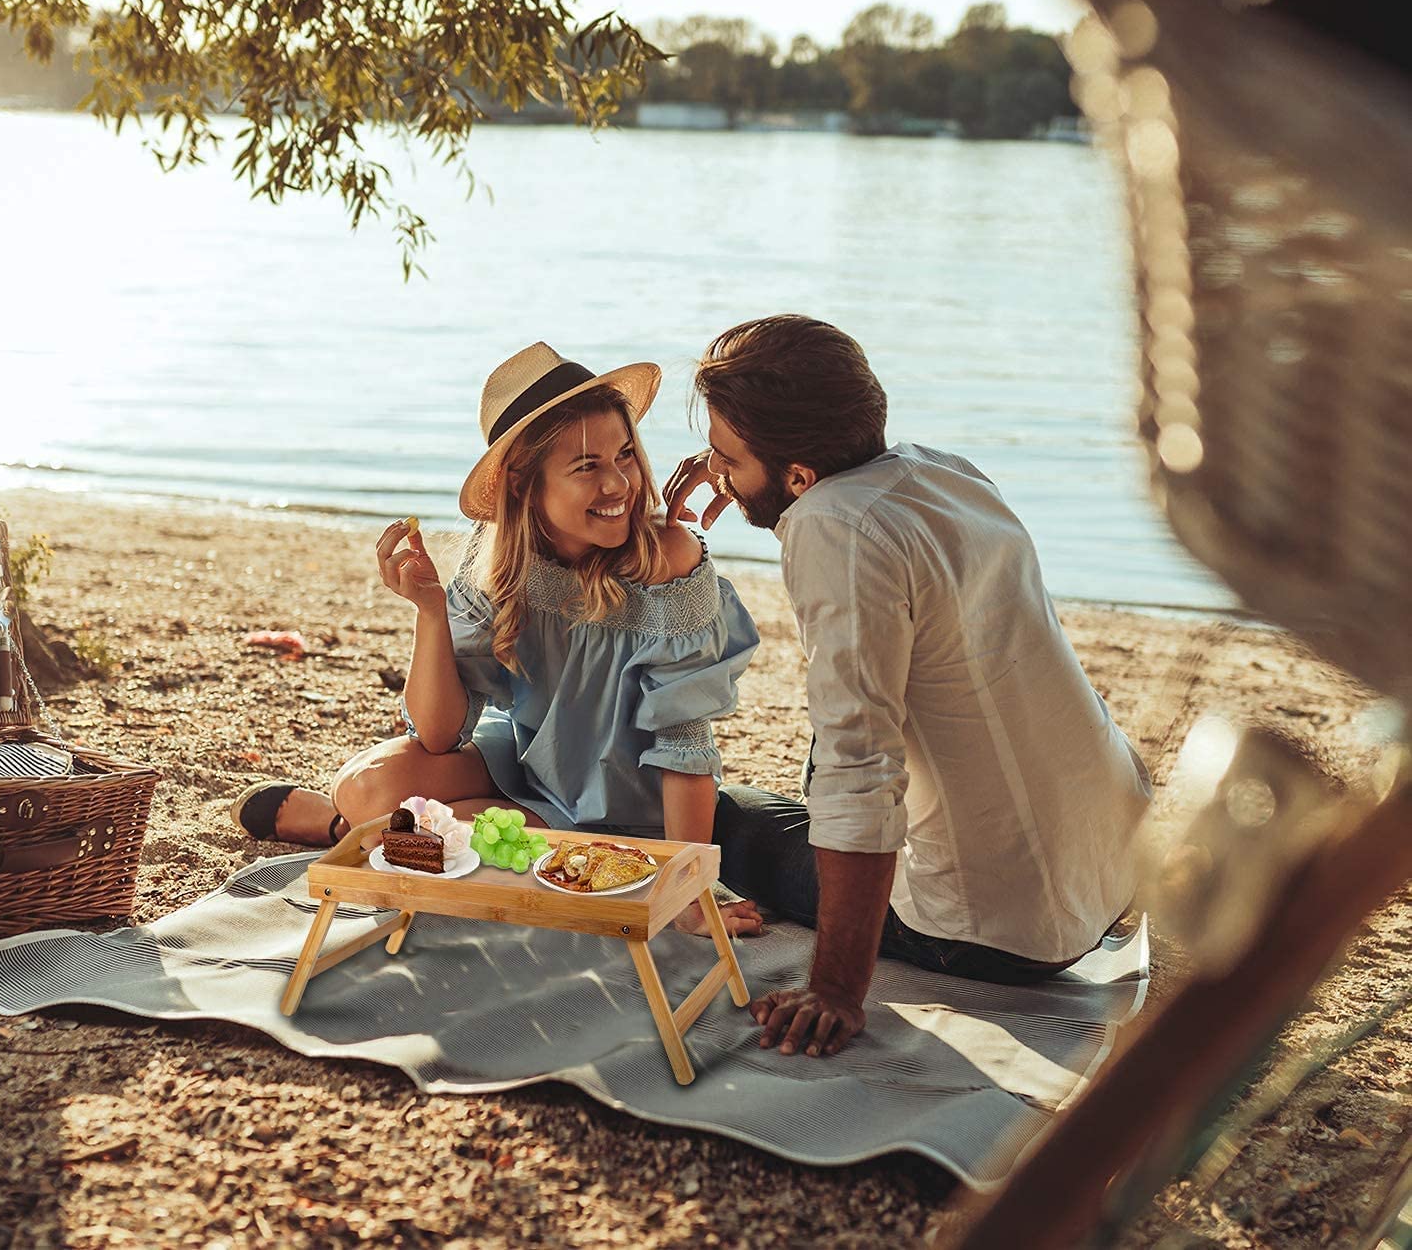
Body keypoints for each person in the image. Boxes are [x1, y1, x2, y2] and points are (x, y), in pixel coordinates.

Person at [664, 315, 1153, 1053]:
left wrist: (834, 988)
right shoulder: (939, 471)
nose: (718, 477)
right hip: (1113, 864)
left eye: (727, 460)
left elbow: (860, 768)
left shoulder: (834, 530)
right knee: (791, 786)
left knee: (719, 820)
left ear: (799, 475)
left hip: (996, 932)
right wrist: (743, 464)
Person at [233, 341, 764, 936]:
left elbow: (684, 740)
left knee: (430, 831)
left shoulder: (670, 561)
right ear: (521, 484)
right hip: (527, 769)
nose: (620, 485)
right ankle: (353, 823)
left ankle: (340, 833)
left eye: (625, 457)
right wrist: (430, 612)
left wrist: (687, 886)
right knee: (364, 786)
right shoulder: (497, 565)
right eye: (588, 467)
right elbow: (437, 734)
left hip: (626, 806)